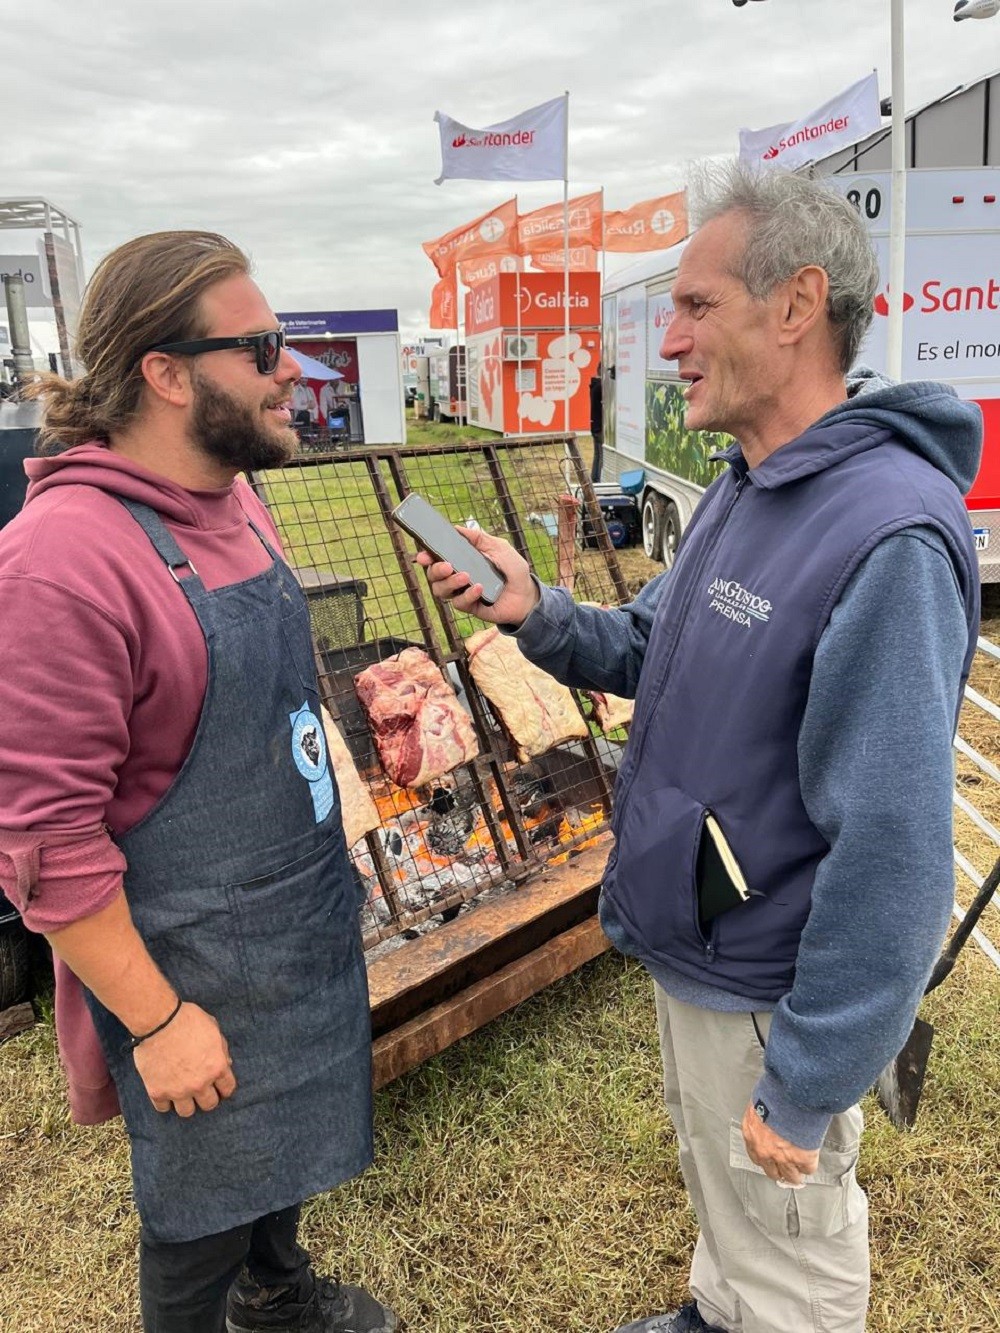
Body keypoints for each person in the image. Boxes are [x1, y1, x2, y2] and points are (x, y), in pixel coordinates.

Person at [417, 166, 981, 1333]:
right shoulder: (751, 484)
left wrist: (812, 1076)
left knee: (794, 1242)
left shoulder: (883, 536)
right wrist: (535, 611)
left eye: (693, 306)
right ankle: (719, 1308)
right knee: (726, 1193)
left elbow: (895, 853)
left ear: (795, 306)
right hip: (703, 938)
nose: (664, 340)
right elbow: (645, 644)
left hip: (775, 984)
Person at [0, 231, 398, 1333]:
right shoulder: (61, 562)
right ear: (165, 373)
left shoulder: (238, 499)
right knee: (198, 1210)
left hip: (295, 913)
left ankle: (277, 1293)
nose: (294, 371)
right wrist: (159, 1016)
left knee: (281, 1148)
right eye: (263, 347)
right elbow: (43, 845)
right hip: (189, 957)